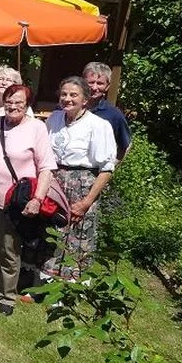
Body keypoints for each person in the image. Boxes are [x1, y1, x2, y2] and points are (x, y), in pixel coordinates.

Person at [0, 84, 57, 316]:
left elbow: (46, 168)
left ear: (27, 104)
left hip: (12, 202)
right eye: (9, 101)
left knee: (9, 249)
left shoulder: (37, 127)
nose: (13, 106)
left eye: (19, 102)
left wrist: (37, 199)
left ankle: (7, 295)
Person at [43, 76, 117, 281]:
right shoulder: (54, 118)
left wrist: (86, 202)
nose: (67, 98)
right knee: (52, 232)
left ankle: (72, 286)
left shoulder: (98, 125)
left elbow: (106, 169)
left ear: (85, 99)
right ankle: (45, 280)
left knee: (77, 234)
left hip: (83, 185)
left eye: (73, 95)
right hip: (55, 181)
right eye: (64, 94)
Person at [83, 62, 132, 161]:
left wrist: (110, 169)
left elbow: (125, 145)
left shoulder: (113, 114)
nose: (94, 88)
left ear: (107, 86)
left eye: (100, 83)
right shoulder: (70, 108)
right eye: (91, 82)